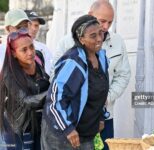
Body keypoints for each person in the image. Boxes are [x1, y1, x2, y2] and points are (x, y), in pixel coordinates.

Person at [53, 1, 131, 149]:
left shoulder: (118, 41)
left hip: (105, 116)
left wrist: (106, 98)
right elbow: (55, 78)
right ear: (90, 15)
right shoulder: (66, 42)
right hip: (75, 120)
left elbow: (123, 75)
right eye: (102, 21)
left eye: (110, 22)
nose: (106, 27)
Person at [41, 15, 109, 150]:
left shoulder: (101, 57)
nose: (99, 39)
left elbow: (100, 90)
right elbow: (55, 100)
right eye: (93, 35)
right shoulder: (73, 63)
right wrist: (68, 129)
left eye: (101, 33)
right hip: (62, 134)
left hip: (86, 133)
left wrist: (101, 116)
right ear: (81, 39)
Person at [0, 28, 50, 149]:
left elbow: (44, 82)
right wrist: (54, 91)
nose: (30, 52)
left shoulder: (38, 57)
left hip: (39, 122)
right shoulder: (9, 74)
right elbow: (26, 101)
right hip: (19, 127)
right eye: (24, 50)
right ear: (13, 53)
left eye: (31, 47)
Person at [25, 10, 53, 75]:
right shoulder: (12, 47)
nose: (34, 28)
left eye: (36, 25)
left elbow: (51, 71)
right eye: (30, 24)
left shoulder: (44, 48)